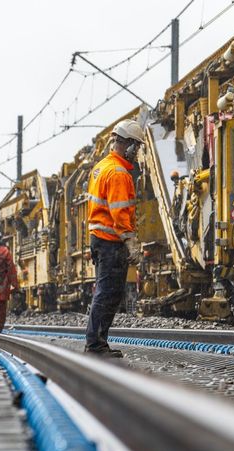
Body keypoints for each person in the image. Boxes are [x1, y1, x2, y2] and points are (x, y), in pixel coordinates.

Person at [85, 119, 145, 357]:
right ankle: (96, 346)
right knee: (108, 292)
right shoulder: (119, 173)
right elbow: (119, 211)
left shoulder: (101, 167)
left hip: (99, 238)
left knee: (104, 291)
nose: (137, 152)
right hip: (110, 240)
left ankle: (97, 343)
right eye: (137, 147)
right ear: (128, 145)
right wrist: (130, 241)